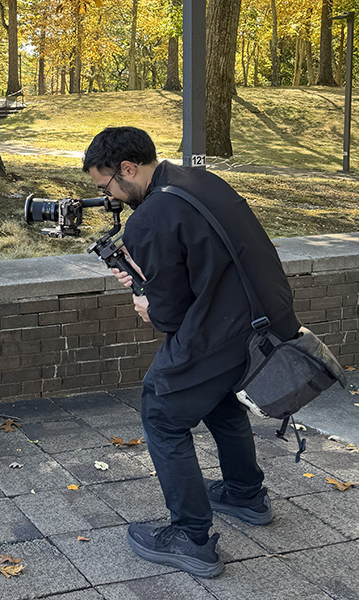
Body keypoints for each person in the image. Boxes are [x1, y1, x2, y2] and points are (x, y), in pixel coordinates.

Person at [82, 127, 300, 578]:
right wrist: (153, 280)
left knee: (161, 410)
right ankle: (245, 494)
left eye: (107, 186)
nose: (111, 198)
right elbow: (202, 260)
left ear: (127, 169)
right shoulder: (198, 180)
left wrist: (146, 302)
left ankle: (191, 537)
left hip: (223, 327)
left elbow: (170, 314)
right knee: (218, 398)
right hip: (267, 318)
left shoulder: (150, 217)